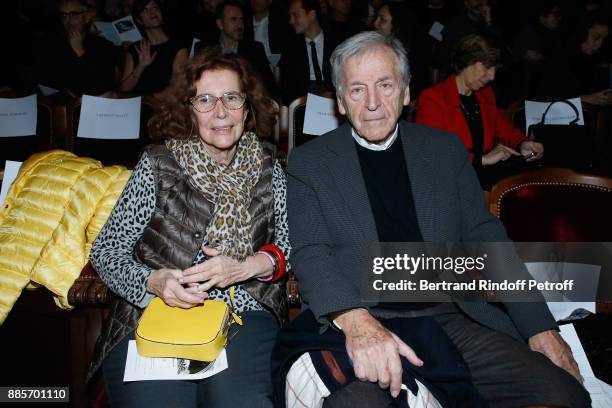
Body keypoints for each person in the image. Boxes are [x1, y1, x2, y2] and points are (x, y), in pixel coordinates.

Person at [277, 31, 589, 407]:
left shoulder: (444, 151)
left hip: (448, 314)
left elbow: (486, 240)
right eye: (357, 90)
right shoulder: (311, 163)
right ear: (341, 102)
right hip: (360, 313)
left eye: (385, 85)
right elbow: (311, 252)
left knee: (564, 395)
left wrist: (539, 326)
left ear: (407, 92)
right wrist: (357, 322)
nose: (373, 103)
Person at [87, 48, 290, 407]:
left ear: (247, 106)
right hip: (153, 312)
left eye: (231, 97)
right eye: (205, 100)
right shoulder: (158, 165)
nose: (221, 112)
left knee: (239, 402)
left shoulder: (268, 165)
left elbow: (289, 246)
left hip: (244, 309)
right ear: (188, 110)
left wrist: (246, 267)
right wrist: (154, 282)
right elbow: (106, 252)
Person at [416, 34, 543, 187]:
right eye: (487, 67)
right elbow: (433, 153)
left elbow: (503, 128)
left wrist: (522, 144)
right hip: (450, 180)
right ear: (467, 61)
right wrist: (482, 160)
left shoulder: (485, 94)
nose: (492, 76)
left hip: (482, 177)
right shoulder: (434, 98)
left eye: (495, 69)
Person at [35, 0, 117, 95]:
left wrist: (80, 51)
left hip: (92, 103)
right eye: (64, 15)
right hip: (59, 104)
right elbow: (42, 80)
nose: (68, 19)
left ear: (87, 17)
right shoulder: (49, 43)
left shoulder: (103, 46)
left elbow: (103, 85)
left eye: (74, 14)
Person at [118, 0, 188, 98]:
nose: (152, 12)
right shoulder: (135, 49)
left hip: (166, 106)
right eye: (145, 10)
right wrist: (141, 66)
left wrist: (150, 99)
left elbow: (179, 85)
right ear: (139, 20)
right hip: (138, 106)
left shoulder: (178, 46)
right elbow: (124, 89)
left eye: (155, 8)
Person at [279, 0, 338, 103]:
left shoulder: (336, 43)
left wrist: (332, 94)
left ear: (311, 15)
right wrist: (311, 99)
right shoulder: (291, 49)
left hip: (334, 99)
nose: (291, 21)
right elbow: (287, 89)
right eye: (290, 16)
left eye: (296, 15)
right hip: (303, 102)